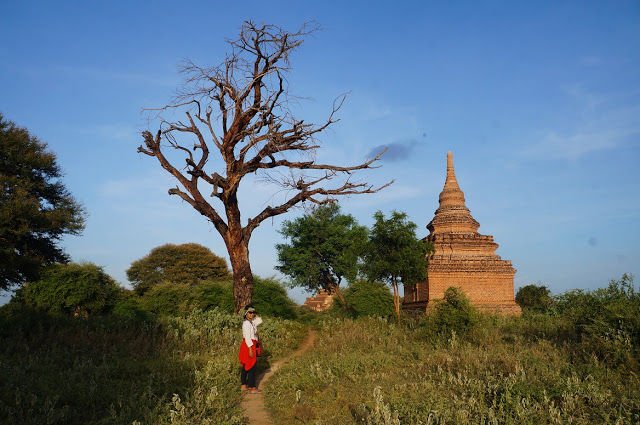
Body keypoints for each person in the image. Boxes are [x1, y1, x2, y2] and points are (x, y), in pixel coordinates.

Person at [238, 306, 262, 394]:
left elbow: (260, 320)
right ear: (246, 314)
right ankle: (252, 387)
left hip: (250, 345)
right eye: (250, 312)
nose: (252, 314)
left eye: (253, 313)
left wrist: (255, 313)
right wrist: (250, 349)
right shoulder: (246, 324)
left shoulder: (252, 323)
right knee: (252, 366)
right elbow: (247, 337)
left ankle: (243, 385)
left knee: (246, 365)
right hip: (249, 345)